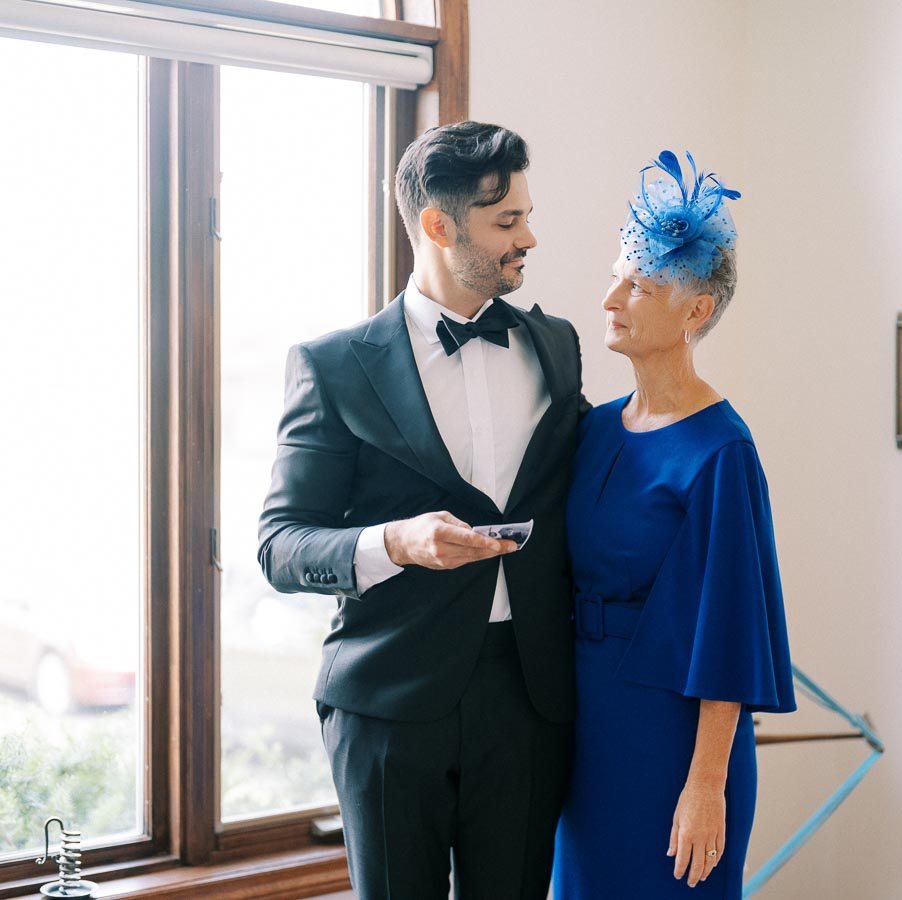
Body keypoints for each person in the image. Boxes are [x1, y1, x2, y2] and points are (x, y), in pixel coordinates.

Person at [258, 121, 586, 900]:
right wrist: (395, 542)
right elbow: (280, 544)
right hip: (387, 703)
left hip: (530, 697)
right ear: (440, 226)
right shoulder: (333, 367)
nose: (528, 238)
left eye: (527, 216)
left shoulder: (559, 346)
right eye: (507, 221)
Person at [552, 151, 796, 899]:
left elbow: (729, 632)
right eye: (617, 276)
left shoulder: (721, 452)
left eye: (641, 286)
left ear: (696, 313)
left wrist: (705, 787)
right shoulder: (592, 430)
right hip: (581, 727)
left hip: (673, 744)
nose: (611, 298)